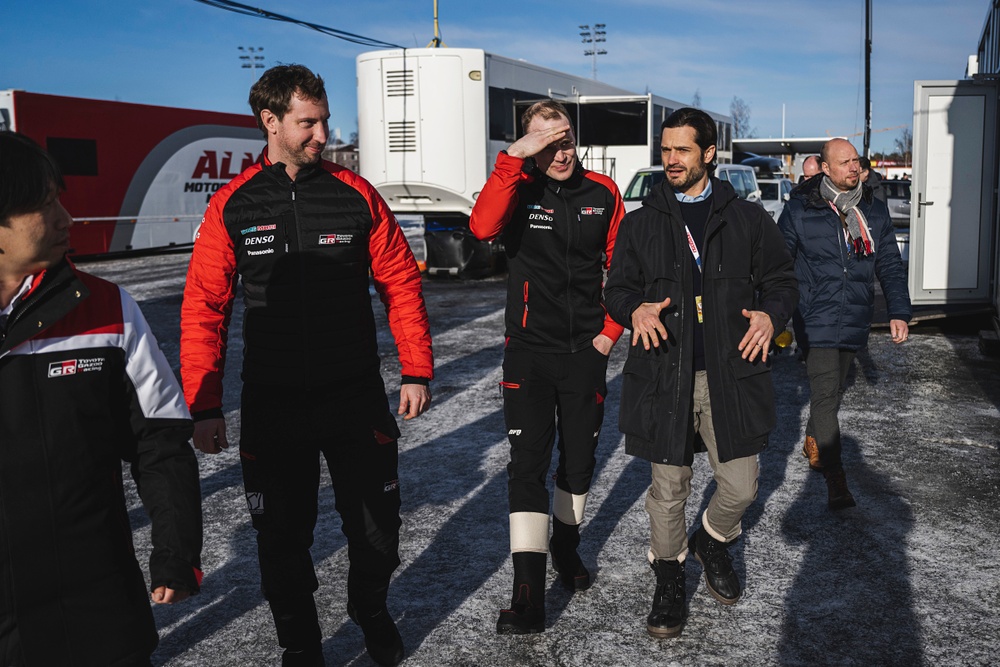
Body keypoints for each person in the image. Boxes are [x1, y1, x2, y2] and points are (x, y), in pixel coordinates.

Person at [180, 65, 433, 667]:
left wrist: (417, 368)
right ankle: (300, 642)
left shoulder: (356, 194)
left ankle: (370, 609)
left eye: (323, 119)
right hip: (274, 403)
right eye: (308, 122)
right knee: (281, 539)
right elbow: (203, 310)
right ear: (271, 123)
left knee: (377, 533)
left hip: (354, 396)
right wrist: (205, 405)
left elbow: (400, 282)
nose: (323, 133)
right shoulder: (232, 206)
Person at [0, 131, 203, 666]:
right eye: (45, 205)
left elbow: (160, 440)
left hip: (96, 600)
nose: (67, 218)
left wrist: (176, 553)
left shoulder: (107, 308)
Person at [604, 108, 798, 639]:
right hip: (664, 374)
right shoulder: (641, 223)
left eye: (682, 150)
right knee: (669, 488)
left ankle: (712, 540)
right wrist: (633, 310)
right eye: (665, 150)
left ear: (709, 154)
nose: (670, 160)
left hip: (731, 375)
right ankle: (668, 578)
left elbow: (782, 281)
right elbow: (617, 288)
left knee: (741, 484)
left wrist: (771, 314)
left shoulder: (748, 220)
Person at [469, 100, 625, 634]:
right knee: (527, 465)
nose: (559, 151)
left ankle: (566, 545)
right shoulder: (517, 189)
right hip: (529, 354)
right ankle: (527, 595)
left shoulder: (602, 192)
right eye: (545, 141)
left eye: (565, 139)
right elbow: (481, 225)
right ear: (527, 145)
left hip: (586, 353)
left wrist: (608, 336)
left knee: (579, 463)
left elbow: (623, 270)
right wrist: (515, 159)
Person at [778, 138, 910, 510]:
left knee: (833, 392)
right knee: (824, 392)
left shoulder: (875, 211)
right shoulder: (800, 210)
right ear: (825, 168)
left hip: (855, 313)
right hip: (814, 314)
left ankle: (812, 436)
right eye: (845, 162)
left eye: (856, 161)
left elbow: (888, 265)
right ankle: (836, 479)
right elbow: (777, 262)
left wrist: (898, 310)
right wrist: (769, 312)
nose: (854, 167)